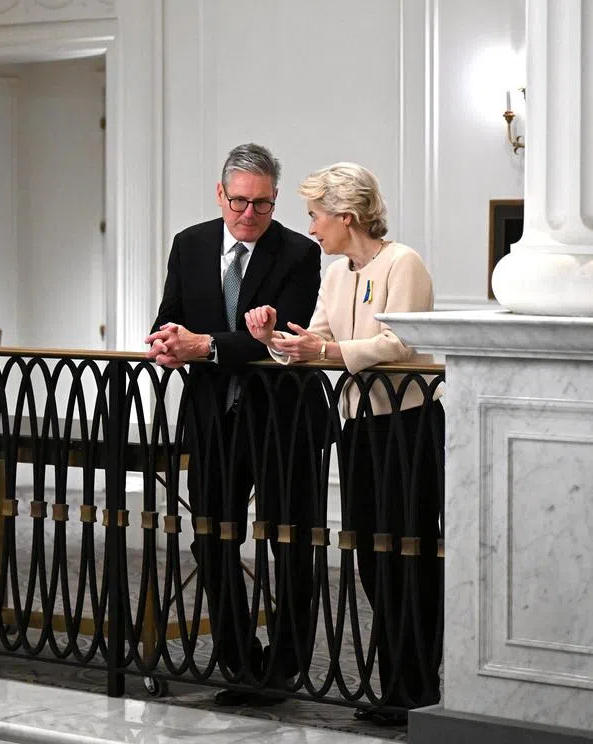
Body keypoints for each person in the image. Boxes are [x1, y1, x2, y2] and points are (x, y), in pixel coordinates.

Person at [245, 162, 443, 724]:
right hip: (358, 428)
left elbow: (402, 341)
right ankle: (392, 685)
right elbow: (317, 340)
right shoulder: (336, 274)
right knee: (370, 556)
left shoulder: (402, 262)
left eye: (315, 215)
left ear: (346, 216)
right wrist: (275, 340)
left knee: (407, 553)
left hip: (408, 426)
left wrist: (327, 354)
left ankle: (417, 686)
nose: (310, 227)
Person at [145, 142, 322, 706]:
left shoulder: (297, 253)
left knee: (288, 541)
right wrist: (168, 341)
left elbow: (283, 340)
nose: (250, 216)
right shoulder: (190, 244)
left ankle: (284, 668)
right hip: (211, 419)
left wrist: (208, 345)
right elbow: (168, 316)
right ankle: (240, 661)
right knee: (212, 538)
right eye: (240, 202)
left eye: (263, 205)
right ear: (220, 195)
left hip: (283, 421)